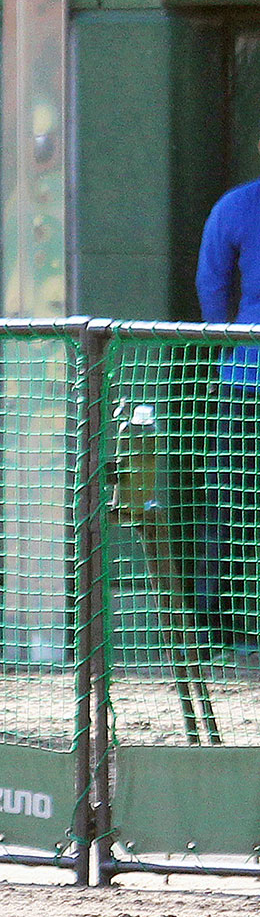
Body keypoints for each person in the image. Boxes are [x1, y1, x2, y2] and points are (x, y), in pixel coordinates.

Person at [194, 156, 260, 660]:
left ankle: (217, 630)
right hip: (245, 376)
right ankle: (219, 627)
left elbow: (211, 286)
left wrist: (229, 343)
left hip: (244, 376)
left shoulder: (236, 205)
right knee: (229, 502)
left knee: (230, 502)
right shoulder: (237, 205)